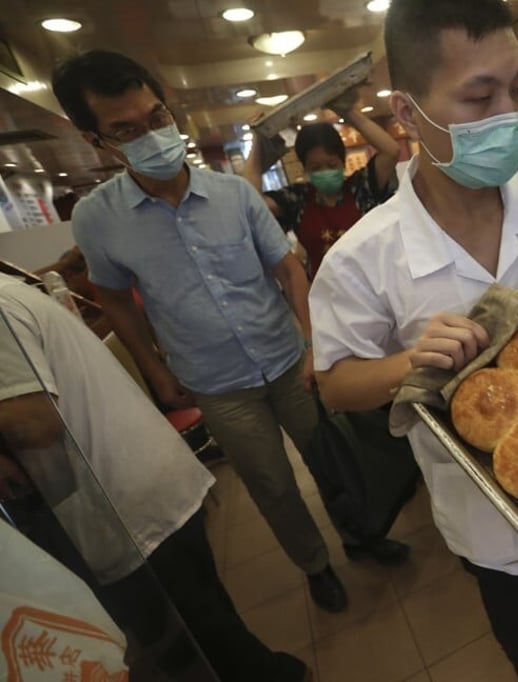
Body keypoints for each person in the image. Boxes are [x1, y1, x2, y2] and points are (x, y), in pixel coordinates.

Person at [309, 1, 518, 679]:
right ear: (409, 115)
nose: (506, 114)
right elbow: (336, 383)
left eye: (513, 88)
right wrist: (410, 362)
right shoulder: (364, 258)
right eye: (478, 97)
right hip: (500, 526)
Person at [48, 49, 359, 613]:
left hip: (289, 359)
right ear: (96, 140)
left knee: (329, 456)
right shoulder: (98, 219)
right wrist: (156, 372)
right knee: (272, 485)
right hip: (217, 385)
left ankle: (363, 534)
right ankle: (315, 565)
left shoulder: (233, 194)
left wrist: (316, 344)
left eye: (157, 118)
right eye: (126, 130)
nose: (151, 135)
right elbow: (115, 300)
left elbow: (288, 268)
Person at [0, 274, 309, 681]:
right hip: (134, 489)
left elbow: (35, 423)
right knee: (211, 622)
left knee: (198, 637)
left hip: (126, 502)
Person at [243, 100, 401, 278]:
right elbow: (250, 201)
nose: (325, 171)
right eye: (315, 167)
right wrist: (258, 138)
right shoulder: (297, 199)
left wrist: (347, 111)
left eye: (332, 164)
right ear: (305, 169)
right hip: (326, 297)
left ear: (343, 162)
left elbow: (392, 151)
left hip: (378, 287)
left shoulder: (362, 187)